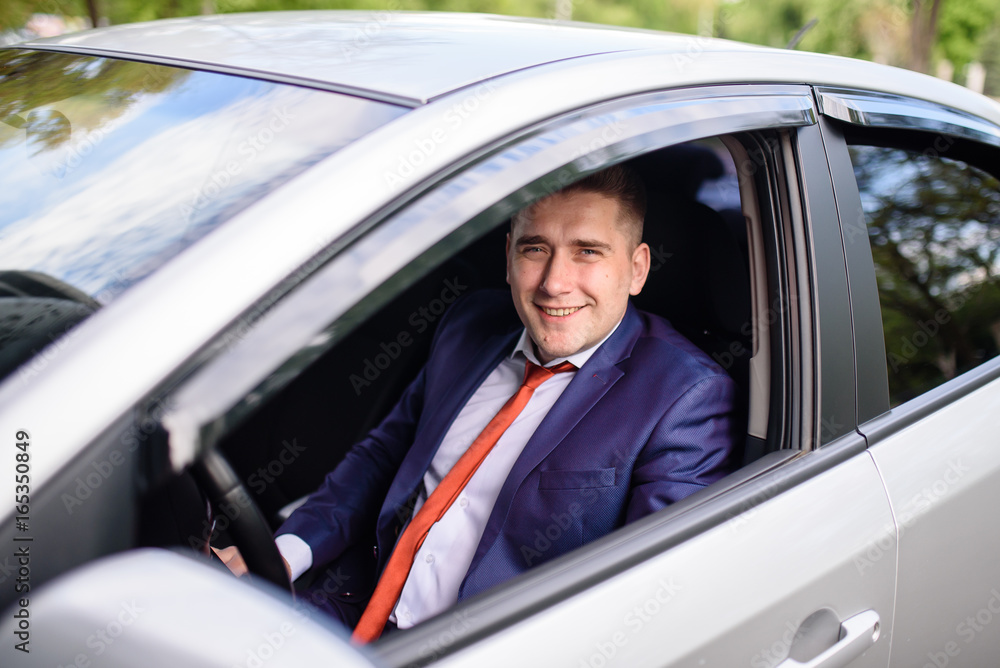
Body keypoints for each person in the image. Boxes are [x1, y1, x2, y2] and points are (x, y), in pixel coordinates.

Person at [216, 163, 738, 639]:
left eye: (588, 251)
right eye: (536, 248)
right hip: (352, 601)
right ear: (508, 256)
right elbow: (384, 455)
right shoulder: (470, 324)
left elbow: (642, 601)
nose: (555, 283)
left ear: (638, 268)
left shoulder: (685, 397)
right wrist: (280, 557)